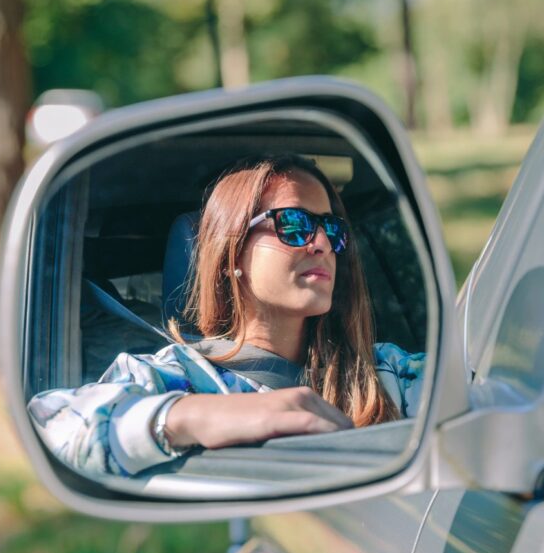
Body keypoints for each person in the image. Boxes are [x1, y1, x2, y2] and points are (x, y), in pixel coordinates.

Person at [28, 154, 425, 478]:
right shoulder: (178, 376)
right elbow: (52, 422)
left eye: (331, 229)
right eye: (294, 224)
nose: (321, 243)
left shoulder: (383, 371)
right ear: (231, 253)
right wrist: (197, 416)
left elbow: (476, 397)